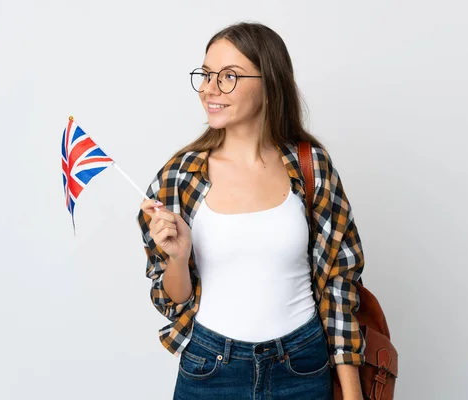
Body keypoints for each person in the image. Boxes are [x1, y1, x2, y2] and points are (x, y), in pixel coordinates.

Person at [138, 22, 366, 400]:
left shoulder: (311, 166)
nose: (210, 89)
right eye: (207, 75)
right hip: (211, 369)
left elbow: (339, 284)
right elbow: (173, 298)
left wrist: (353, 393)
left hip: (303, 367)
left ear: (269, 82)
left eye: (228, 76)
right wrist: (177, 258)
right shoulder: (180, 176)